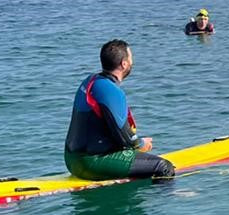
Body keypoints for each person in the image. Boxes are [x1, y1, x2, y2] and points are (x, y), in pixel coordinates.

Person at [64, 40, 174, 181]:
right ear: (124, 64)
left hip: (71, 160)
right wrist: (141, 143)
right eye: (131, 58)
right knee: (164, 167)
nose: (132, 62)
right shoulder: (112, 91)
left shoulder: (89, 81)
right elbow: (127, 140)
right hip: (90, 163)